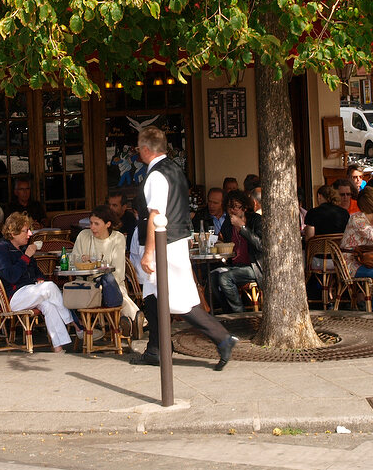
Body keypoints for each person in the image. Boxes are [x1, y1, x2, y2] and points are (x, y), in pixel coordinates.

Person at [130, 126, 238, 370]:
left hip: (163, 244)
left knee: (177, 301)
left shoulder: (156, 175)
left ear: (146, 149)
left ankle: (222, 338)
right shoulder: (175, 169)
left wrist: (148, 252)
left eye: (139, 148)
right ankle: (156, 349)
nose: (138, 152)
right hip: (175, 240)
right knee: (152, 297)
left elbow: (156, 215)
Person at [0, 211, 76, 352]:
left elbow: (37, 273)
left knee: (49, 304)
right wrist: (26, 257)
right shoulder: (1, 250)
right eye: (25, 231)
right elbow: (11, 276)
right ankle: (74, 323)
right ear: (13, 233)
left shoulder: (24, 249)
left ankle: (58, 348)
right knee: (50, 287)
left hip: (29, 293)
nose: (30, 234)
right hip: (12, 298)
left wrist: (39, 279)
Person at [71, 205, 139, 323]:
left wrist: (96, 263)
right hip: (87, 284)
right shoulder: (83, 235)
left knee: (108, 278)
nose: (92, 227)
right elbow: (73, 261)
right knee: (111, 289)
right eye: (91, 223)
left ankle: (124, 319)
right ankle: (129, 318)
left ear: (108, 224)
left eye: (96, 224)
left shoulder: (117, 238)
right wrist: (83, 260)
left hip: (112, 284)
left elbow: (118, 272)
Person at [211, 192, 265, 313]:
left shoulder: (256, 220)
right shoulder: (227, 224)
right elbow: (226, 243)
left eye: (236, 207)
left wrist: (243, 227)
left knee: (225, 278)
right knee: (213, 278)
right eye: (230, 207)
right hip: (235, 265)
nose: (232, 210)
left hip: (255, 267)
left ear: (244, 207)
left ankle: (240, 314)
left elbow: (261, 245)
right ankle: (228, 312)